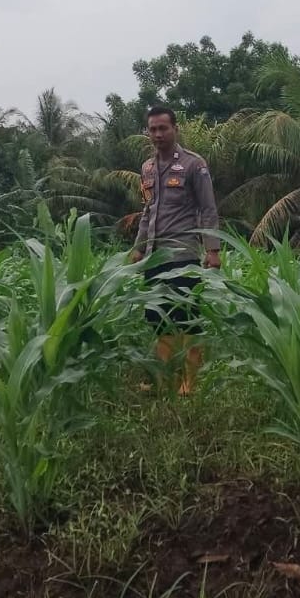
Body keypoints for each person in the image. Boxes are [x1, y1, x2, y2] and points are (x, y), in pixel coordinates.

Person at [128, 104, 220, 396]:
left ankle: (189, 383)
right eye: (152, 129)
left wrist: (213, 250)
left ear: (175, 129)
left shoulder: (194, 165)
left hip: (183, 254)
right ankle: (164, 379)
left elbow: (208, 209)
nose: (157, 134)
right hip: (154, 256)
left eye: (163, 128)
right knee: (159, 320)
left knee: (188, 320)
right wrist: (139, 248)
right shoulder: (147, 168)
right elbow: (148, 210)